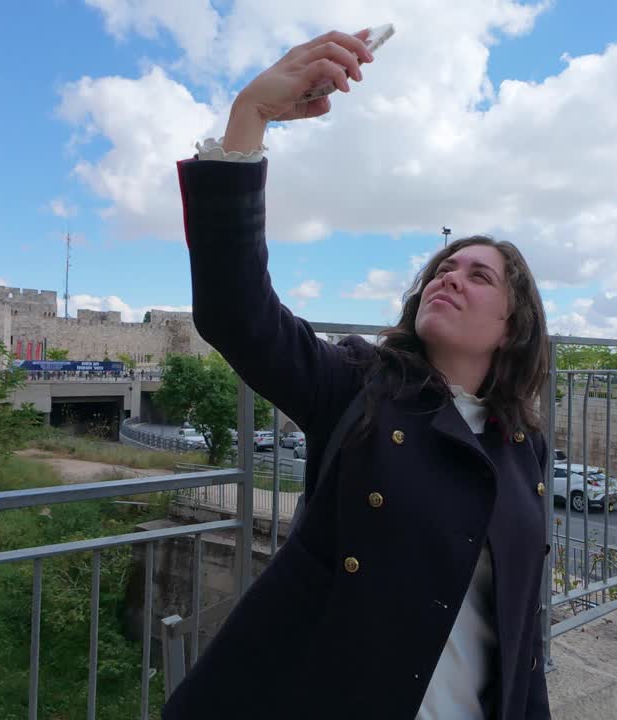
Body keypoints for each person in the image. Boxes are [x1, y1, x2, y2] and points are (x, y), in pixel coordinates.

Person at [161, 29, 552, 720]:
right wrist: (250, 116)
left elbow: (520, 637)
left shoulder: (525, 447)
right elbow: (237, 313)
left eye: (479, 276)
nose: (448, 278)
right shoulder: (360, 385)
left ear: (512, 327)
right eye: (444, 269)